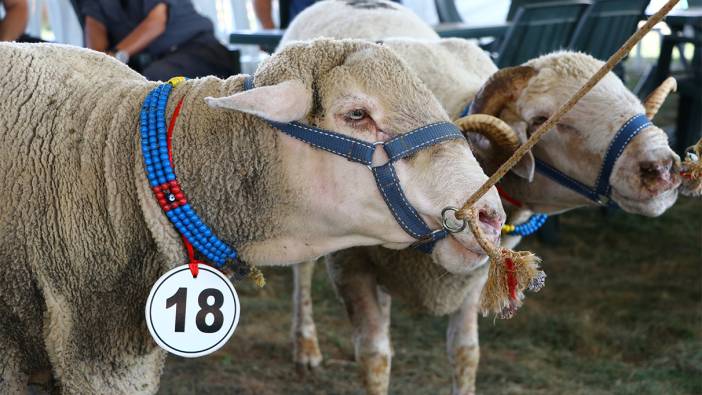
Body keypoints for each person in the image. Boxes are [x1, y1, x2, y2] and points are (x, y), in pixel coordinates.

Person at [82, 0, 237, 81]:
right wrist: (99, 64)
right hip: (151, 61)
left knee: (151, 79)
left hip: (197, 48)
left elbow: (156, 22)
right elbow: (95, 32)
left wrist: (116, 56)